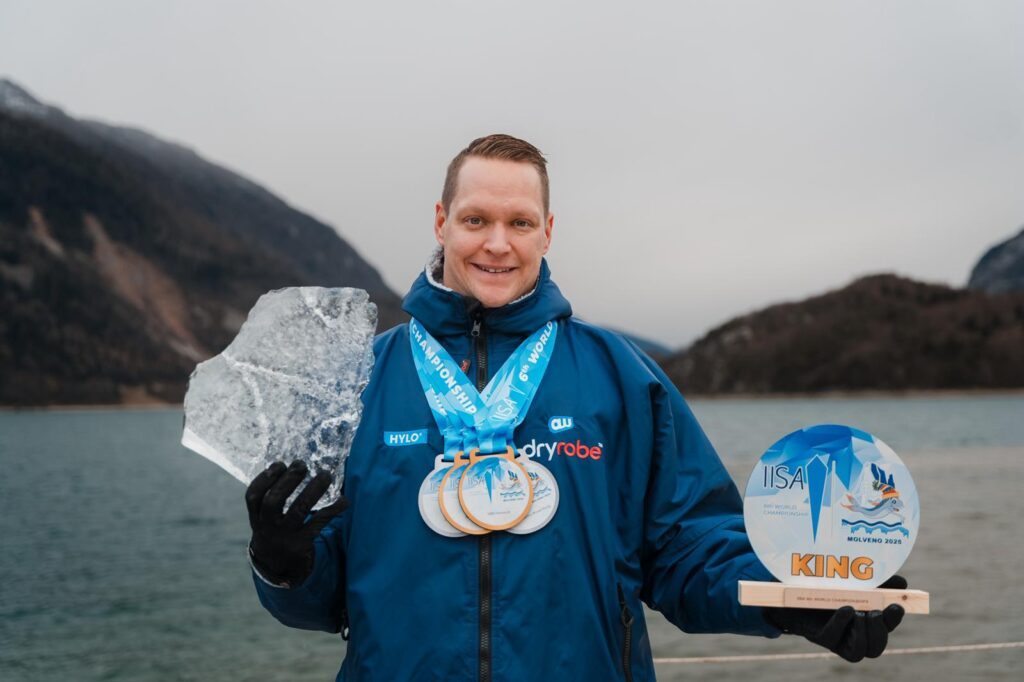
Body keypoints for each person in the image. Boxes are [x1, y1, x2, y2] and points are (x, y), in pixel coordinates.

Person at [244, 134, 906, 681]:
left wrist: (792, 596)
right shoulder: (357, 384)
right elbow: (317, 602)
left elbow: (688, 547)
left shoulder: (619, 376)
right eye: (475, 220)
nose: (497, 243)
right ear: (441, 222)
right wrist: (282, 562)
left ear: (548, 231)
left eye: (519, 223)